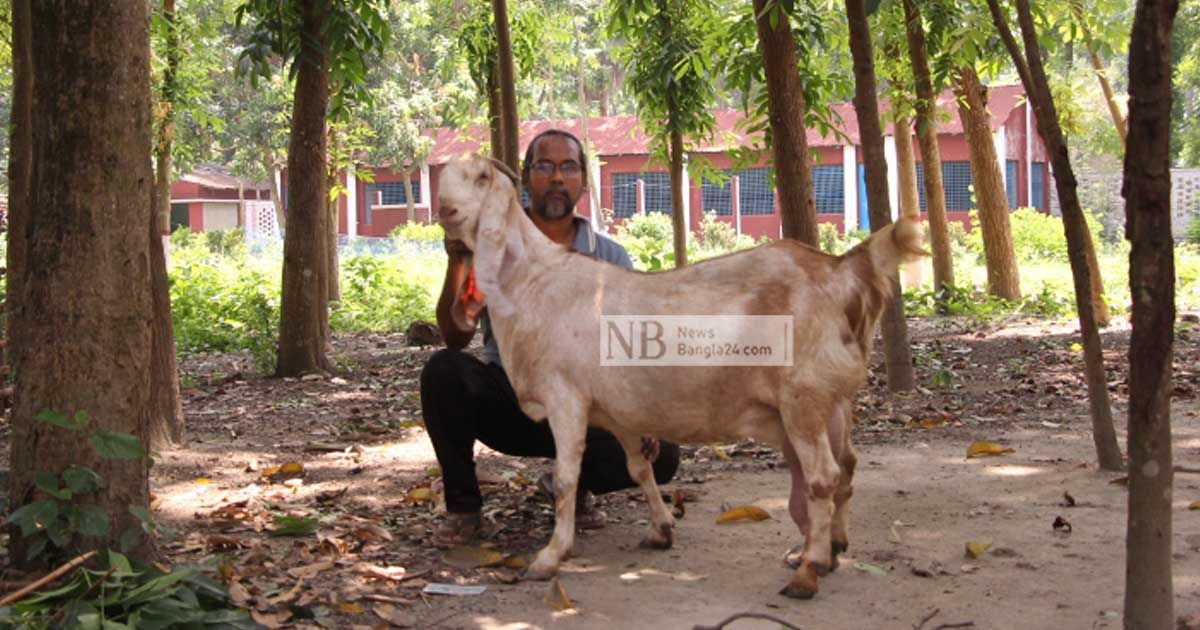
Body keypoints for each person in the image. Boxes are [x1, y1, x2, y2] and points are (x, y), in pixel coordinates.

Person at [420, 129, 681, 547]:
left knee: (664, 453)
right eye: (544, 166)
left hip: (591, 409)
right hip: (514, 403)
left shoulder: (608, 257)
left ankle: (572, 488)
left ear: (582, 180)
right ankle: (463, 511)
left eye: (568, 167)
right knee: (443, 371)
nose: (556, 177)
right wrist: (460, 262)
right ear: (526, 178)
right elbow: (457, 334)